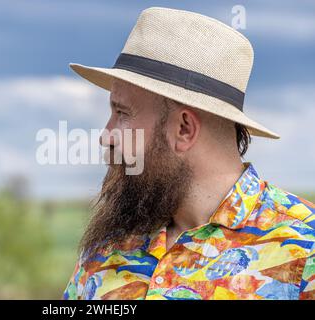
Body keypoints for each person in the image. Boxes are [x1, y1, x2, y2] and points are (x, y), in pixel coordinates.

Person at [62, 7, 315, 300]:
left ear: (184, 129)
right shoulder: (107, 250)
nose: (107, 135)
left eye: (122, 113)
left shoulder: (305, 251)